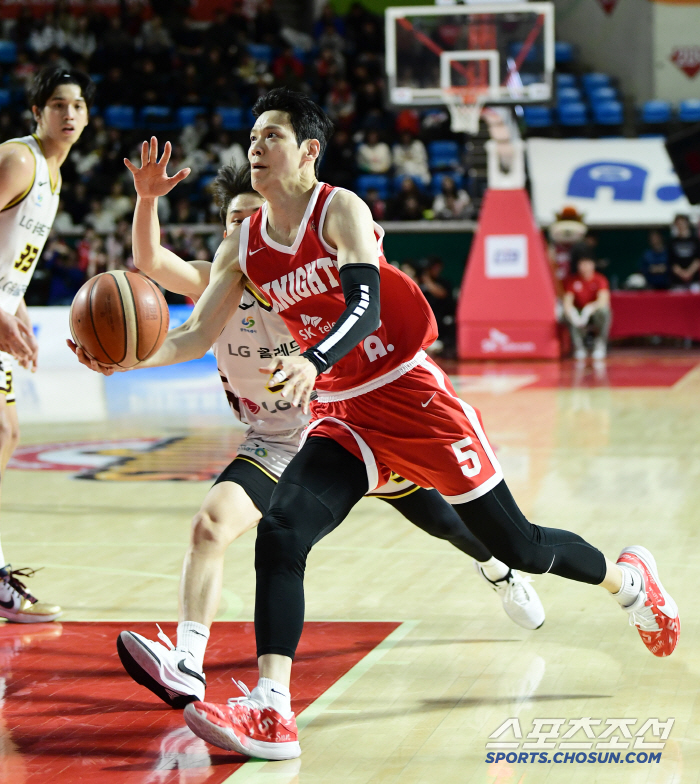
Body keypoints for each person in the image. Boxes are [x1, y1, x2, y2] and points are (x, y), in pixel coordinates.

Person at [71, 90, 679, 762]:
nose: (255, 147)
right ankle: (274, 710)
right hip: (343, 414)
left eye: (270, 136)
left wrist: (313, 357)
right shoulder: (242, 245)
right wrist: (127, 359)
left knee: (522, 546)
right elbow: (190, 336)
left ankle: (628, 583)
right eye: (251, 137)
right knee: (280, 532)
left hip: (408, 395)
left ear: (307, 151)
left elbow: (365, 303)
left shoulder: (340, 210)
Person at [106, 147, 545, 709]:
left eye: (254, 218)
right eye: (235, 222)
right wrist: (146, 202)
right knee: (210, 526)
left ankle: (498, 567)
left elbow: (362, 284)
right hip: (272, 442)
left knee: (447, 522)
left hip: (344, 426)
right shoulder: (215, 280)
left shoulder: (307, 280)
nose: (247, 230)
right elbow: (148, 261)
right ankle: (189, 661)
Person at [0, 66, 94, 622]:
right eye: (57, 104)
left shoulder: (54, 176)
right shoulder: (19, 160)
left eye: (77, 105)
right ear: (37, 113)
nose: (69, 114)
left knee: (6, 431)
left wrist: (18, 308)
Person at [563, 248, 612, 361]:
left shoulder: (600, 279)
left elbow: (603, 300)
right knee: (565, 315)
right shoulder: (572, 280)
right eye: (581, 264)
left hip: (593, 312)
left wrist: (589, 309)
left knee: (604, 311)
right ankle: (579, 347)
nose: (584, 266)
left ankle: (600, 344)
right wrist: (573, 314)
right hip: (579, 313)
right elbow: (567, 302)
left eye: (587, 263)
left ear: (592, 264)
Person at [668, 214, 700, 289]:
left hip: (693, 281)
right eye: (678, 223)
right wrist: (682, 273)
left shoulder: (695, 241)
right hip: (677, 282)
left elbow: (698, 259)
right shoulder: (672, 242)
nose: (681, 226)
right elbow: (672, 262)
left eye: (682, 223)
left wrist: (689, 273)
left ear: (687, 224)